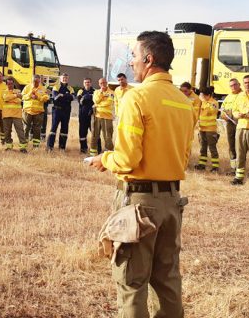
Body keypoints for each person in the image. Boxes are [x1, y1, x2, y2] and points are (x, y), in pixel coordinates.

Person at [89, 31, 194, 317]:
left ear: (148, 59)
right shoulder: (184, 102)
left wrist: (104, 159)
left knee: (132, 282)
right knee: (167, 279)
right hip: (172, 202)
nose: (131, 61)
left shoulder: (136, 98)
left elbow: (127, 159)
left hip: (140, 204)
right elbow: (184, 156)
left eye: (134, 55)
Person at [195, 86, 220, 172]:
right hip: (202, 129)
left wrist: (205, 101)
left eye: (202, 95)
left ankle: (215, 167)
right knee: (203, 148)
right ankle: (202, 165)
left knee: (212, 148)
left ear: (208, 95)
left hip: (211, 130)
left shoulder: (214, 102)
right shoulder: (202, 102)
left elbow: (212, 110)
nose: (201, 97)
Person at [47, 73, 74, 151]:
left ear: (68, 79)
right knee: (54, 128)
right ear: (60, 79)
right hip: (57, 110)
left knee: (64, 129)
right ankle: (50, 147)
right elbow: (56, 97)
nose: (65, 79)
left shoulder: (70, 88)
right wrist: (66, 96)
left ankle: (62, 147)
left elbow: (72, 97)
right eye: (63, 78)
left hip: (66, 111)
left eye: (66, 78)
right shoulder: (56, 86)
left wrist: (62, 95)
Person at [22, 74, 50, 149]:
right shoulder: (27, 87)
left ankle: (36, 146)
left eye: (37, 81)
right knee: (26, 128)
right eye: (34, 81)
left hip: (38, 112)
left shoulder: (43, 88)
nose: (36, 83)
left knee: (37, 129)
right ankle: (24, 145)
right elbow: (22, 96)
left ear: (39, 81)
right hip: (28, 111)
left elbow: (46, 98)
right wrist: (30, 95)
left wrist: (38, 97)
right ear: (32, 80)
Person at [221, 78, 242, 175]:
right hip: (230, 124)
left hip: (240, 124)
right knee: (231, 147)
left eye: (235, 85)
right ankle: (233, 169)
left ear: (239, 84)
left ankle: (240, 169)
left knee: (240, 147)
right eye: (231, 85)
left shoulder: (243, 95)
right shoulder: (228, 97)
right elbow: (222, 110)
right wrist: (224, 116)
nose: (233, 87)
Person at [1, 76, 28, 152]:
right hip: (6, 115)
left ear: (14, 84)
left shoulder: (18, 90)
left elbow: (19, 100)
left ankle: (23, 147)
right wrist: (15, 96)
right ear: (6, 84)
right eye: (9, 84)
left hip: (17, 115)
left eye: (11, 84)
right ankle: (9, 147)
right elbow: (5, 98)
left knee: (20, 131)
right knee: (7, 132)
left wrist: (11, 98)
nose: (10, 85)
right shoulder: (4, 91)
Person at [89, 78, 115, 156]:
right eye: (101, 83)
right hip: (96, 116)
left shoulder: (111, 92)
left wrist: (98, 104)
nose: (102, 84)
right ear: (99, 84)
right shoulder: (96, 92)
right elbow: (95, 100)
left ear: (106, 83)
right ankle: (93, 154)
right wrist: (102, 94)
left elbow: (109, 102)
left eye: (104, 82)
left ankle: (109, 155)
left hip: (107, 117)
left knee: (107, 137)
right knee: (94, 135)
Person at [77, 78, 95, 153]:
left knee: (94, 132)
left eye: (88, 82)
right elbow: (80, 101)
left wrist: (86, 97)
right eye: (85, 82)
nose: (87, 83)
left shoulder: (95, 91)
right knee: (82, 132)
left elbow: (96, 101)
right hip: (83, 115)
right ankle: (83, 149)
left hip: (92, 115)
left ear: (91, 83)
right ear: (83, 83)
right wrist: (89, 97)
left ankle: (97, 148)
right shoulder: (80, 91)